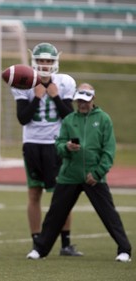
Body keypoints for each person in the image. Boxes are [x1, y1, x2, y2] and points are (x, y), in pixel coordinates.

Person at [27, 83, 132, 262]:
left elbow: (109, 150)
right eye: (79, 101)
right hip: (69, 175)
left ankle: (124, 250)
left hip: (94, 177)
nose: (82, 104)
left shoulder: (104, 119)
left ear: (93, 99)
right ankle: (40, 250)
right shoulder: (69, 120)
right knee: (55, 214)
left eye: (86, 100)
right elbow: (59, 145)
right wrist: (67, 147)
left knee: (109, 215)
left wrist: (98, 173)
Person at [10, 42, 82, 256]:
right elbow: (23, 118)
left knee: (62, 195)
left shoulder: (65, 82)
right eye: (41, 60)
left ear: (55, 62)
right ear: (34, 61)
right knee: (34, 193)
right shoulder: (24, 82)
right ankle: (37, 241)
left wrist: (55, 95)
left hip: (56, 146)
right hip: (32, 144)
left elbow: (69, 117)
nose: (44, 64)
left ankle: (65, 244)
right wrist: (39, 96)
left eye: (48, 61)